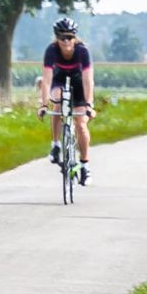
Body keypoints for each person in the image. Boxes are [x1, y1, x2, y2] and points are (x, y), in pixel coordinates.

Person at [41, 15, 94, 183]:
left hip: (79, 83)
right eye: (62, 37)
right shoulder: (51, 50)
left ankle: (84, 165)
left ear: (75, 37)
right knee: (57, 102)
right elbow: (46, 80)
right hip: (59, 80)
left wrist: (89, 104)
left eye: (70, 37)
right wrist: (43, 105)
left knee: (81, 124)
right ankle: (56, 144)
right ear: (56, 38)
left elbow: (88, 80)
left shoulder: (82, 51)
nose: (66, 41)